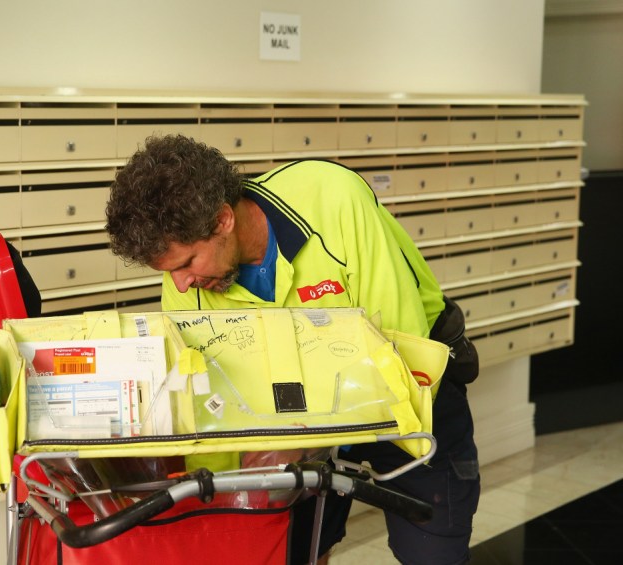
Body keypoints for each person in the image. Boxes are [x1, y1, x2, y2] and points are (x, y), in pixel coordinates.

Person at [105, 134, 480, 565]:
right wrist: (224, 494)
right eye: (169, 271)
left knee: (434, 553)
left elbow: (398, 346)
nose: (180, 283)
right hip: (289, 422)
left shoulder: (333, 200)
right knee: (292, 550)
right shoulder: (185, 285)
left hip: (411, 394)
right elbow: (210, 400)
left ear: (223, 220)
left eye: (187, 263)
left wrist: (305, 441)